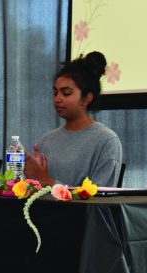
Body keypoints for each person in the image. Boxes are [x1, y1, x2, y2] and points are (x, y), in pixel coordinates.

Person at [24, 51, 122, 187]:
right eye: (55, 93)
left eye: (66, 93)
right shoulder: (46, 141)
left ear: (87, 98)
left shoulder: (106, 140)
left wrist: (47, 182)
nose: (57, 99)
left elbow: (99, 199)